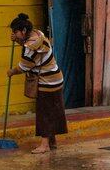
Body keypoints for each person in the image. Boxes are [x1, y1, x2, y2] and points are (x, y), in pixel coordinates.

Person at [7, 13, 68, 154]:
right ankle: (52, 142)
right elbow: (30, 46)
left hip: (46, 81)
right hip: (56, 78)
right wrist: (17, 41)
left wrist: (11, 72)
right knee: (53, 111)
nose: (14, 34)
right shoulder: (38, 34)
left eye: (15, 32)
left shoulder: (30, 48)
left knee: (44, 112)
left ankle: (44, 145)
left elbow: (24, 66)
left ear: (23, 31)